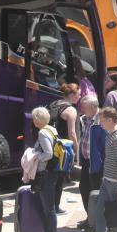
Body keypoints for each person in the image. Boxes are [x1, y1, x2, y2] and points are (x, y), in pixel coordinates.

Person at [30, 106, 60, 232]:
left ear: (37, 119)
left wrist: (35, 156)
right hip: (52, 172)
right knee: (46, 207)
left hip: (46, 173)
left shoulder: (42, 132)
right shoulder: (52, 129)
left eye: (33, 118)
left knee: (49, 208)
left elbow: (47, 154)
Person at [49, 83, 81, 214]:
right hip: (62, 149)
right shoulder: (70, 110)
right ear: (72, 95)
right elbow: (72, 133)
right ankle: (55, 207)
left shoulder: (55, 103)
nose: (80, 97)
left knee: (50, 178)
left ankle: (48, 204)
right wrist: (76, 151)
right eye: (79, 94)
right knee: (59, 179)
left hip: (49, 145)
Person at [77, 94, 106, 232]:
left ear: (94, 107)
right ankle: (90, 217)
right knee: (84, 189)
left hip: (97, 164)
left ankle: (96, 222)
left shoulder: (102, 120)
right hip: (86, 161)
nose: (82, 109)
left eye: (85, 107)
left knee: (95, 192)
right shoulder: (85, 119)